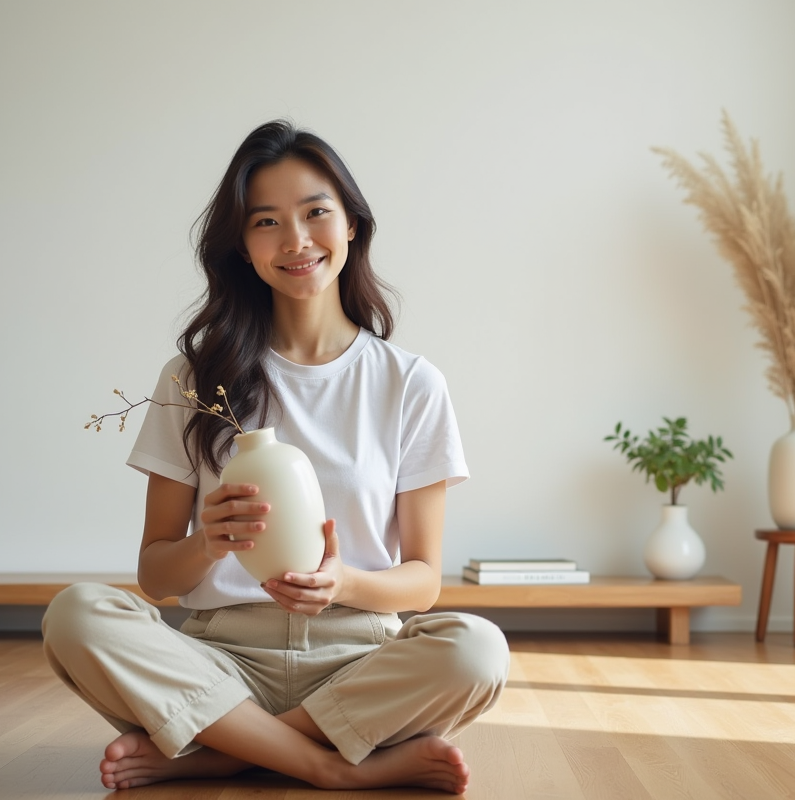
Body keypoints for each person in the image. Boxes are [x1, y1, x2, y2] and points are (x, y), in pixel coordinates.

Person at [43, 120, 509, 794]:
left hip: (359, 657)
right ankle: (328, 762)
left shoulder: (410, 382)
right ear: (242, 245)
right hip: (221, 657)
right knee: (76, 614)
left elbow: (423, 582)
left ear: (352, 224)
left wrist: (343, 584)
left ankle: (223, 748)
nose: (295, 241)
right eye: (266, 222)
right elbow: (154, 574)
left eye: (316, 212)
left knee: (477, 648)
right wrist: (209, 543)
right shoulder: (194, 377)